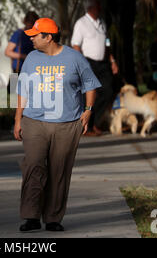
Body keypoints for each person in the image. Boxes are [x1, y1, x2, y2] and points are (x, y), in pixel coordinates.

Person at [14, 18, 101, 232]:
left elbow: (90, 85)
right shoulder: (31, 59)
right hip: (34, 121)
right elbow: (23, 90)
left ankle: (53, 218)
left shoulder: (74, 58)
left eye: (35, 35)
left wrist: (88, 111)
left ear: (48, 37)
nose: (31, 38)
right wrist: (18, 119)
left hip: (67, 124)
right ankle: (31, 216)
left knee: (59, 171)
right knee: (33, 166)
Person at [71, 0, 118, 136]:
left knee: (108, 90)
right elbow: (75, 45)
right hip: (88, 62)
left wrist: (112, 60)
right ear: (91, 8)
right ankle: (88, 126)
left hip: (102, 63)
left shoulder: (102, 23)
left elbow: (107, 43)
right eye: (98, 6)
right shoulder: (81, 23)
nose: (100, 9)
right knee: (90, 94)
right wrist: (81, 64)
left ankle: (96, 123)